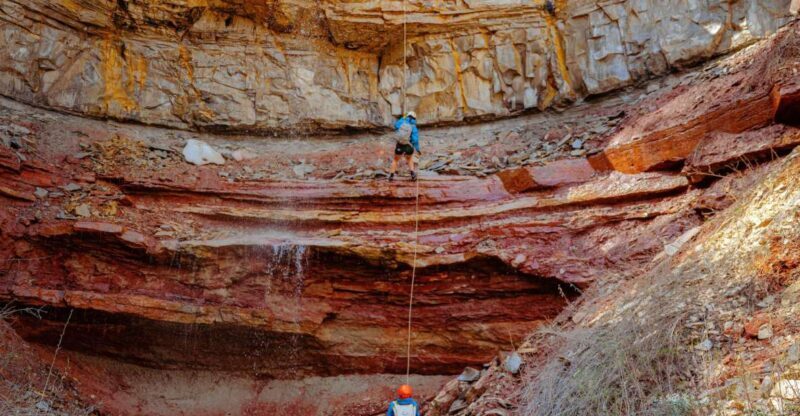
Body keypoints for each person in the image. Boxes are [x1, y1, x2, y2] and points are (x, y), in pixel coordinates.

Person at [389, 111, 421, 181]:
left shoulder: (402, 122)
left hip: (400, 144)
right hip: (408, 146)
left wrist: (403, 117)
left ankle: (391, 176)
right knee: (409, 159)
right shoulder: (413, 126)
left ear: (407, 116)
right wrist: (418, 149)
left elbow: (396, 125)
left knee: (395, 160)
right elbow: (415, 140)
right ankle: (412, 174)